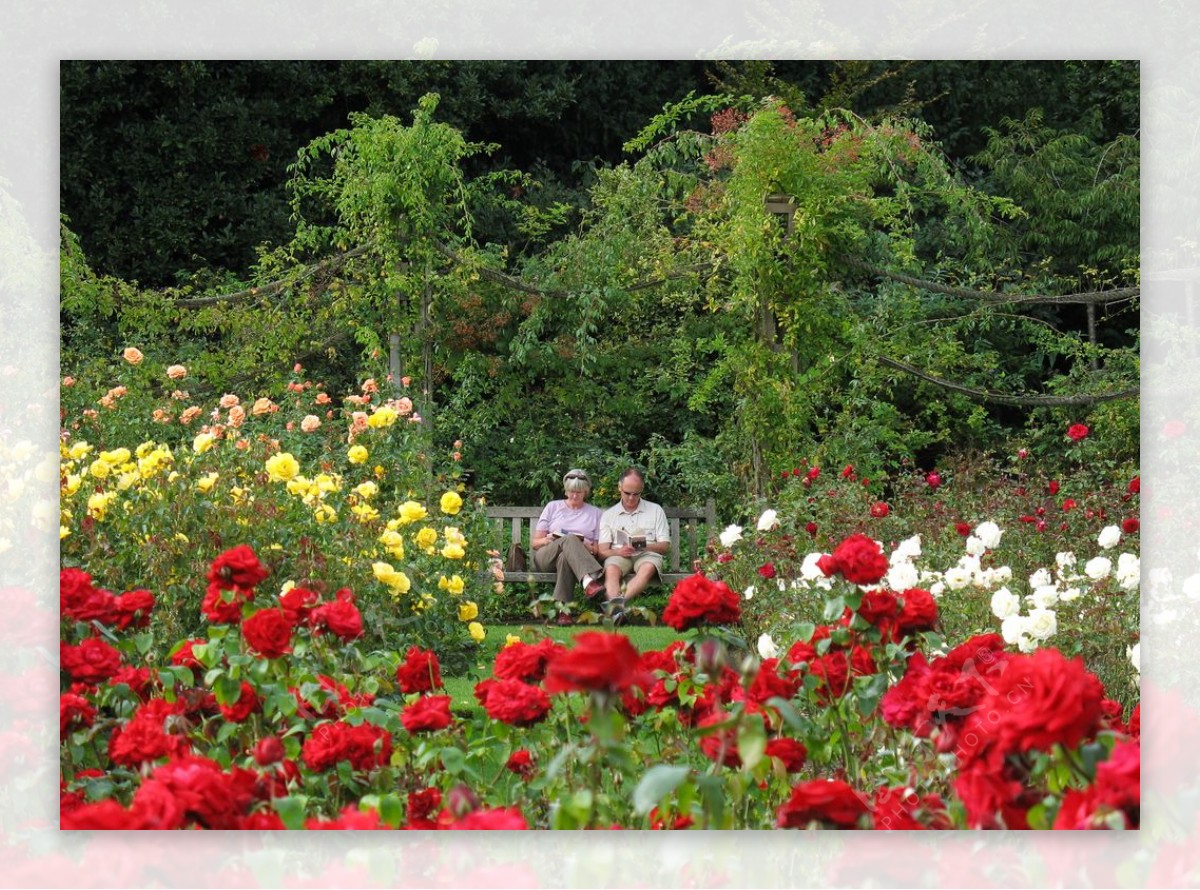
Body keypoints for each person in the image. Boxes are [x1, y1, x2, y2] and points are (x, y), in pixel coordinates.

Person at [530, 468, 606, 622]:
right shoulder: (553, 507)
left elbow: (596, 550)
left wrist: (582, 542)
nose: (575, 495)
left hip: (572, 560)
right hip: (546, 556)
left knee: (566, 558)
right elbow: (535, 543)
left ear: (586, 492)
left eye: (579, 491)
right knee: (569, 538)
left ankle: (564, 612)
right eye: (571, 491)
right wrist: (549, 539)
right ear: (565, 491)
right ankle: (588, 581)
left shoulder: (596, 513)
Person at [597, 467, 671, 626]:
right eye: (627, 493)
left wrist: (643, 546)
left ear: (642, 489)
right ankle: (617, 611)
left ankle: (616, 608)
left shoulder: (655, 510)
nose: (631, 498)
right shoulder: (609, 515)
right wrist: (618, 551)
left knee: (648, 567)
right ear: (619, 487)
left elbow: (665, 546)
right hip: (620, 554)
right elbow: (602, 551)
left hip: (647, 554)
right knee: (611, 569)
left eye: (636, 494)